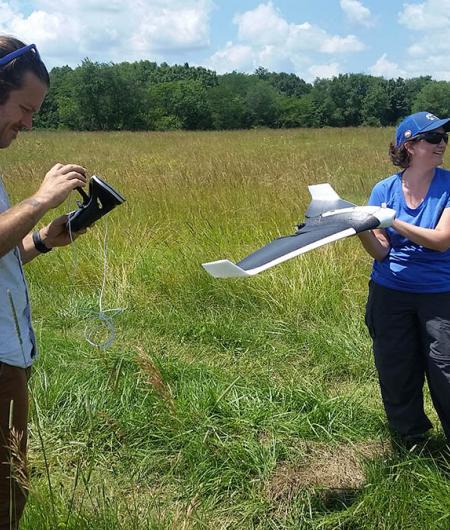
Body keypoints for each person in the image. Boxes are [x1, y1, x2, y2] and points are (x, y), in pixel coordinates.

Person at [0, 36, 87, 529]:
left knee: (11, 485)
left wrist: (44, 240)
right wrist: (41, 200)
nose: (29, 123)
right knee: (5, 491)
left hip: (9, 354)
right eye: (24, 108)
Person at [358, 111, 450, 448]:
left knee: (445, 369)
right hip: (389, 292)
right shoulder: (384, 189)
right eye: (433, 137)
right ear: (409, 145)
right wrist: (362, 228)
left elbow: (442, 240)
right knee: (395, 365)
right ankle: (410, 436)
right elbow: (381, 251)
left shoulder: (449, 185)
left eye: (444, 137)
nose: (442, 143)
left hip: (440, 293)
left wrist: (392, 222)